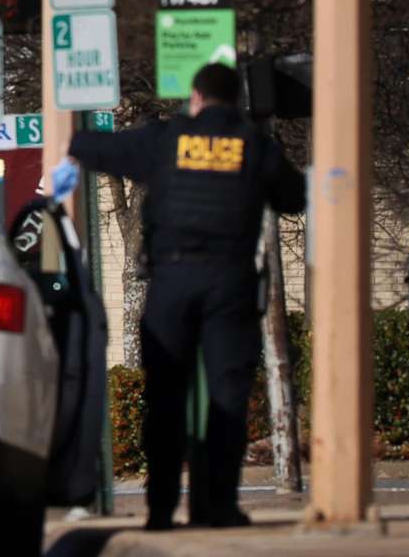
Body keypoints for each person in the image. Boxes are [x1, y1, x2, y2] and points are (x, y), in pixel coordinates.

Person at [51, 60, 304, 532]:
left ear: (196, 98)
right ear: (235, 101)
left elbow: (87, 147)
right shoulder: (254, 145)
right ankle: (218, 507)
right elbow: (295, 196)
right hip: (230, 284)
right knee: (227, 397)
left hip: (172, 282)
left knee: (165, 399)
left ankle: (162, 509)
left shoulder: (167, 140)